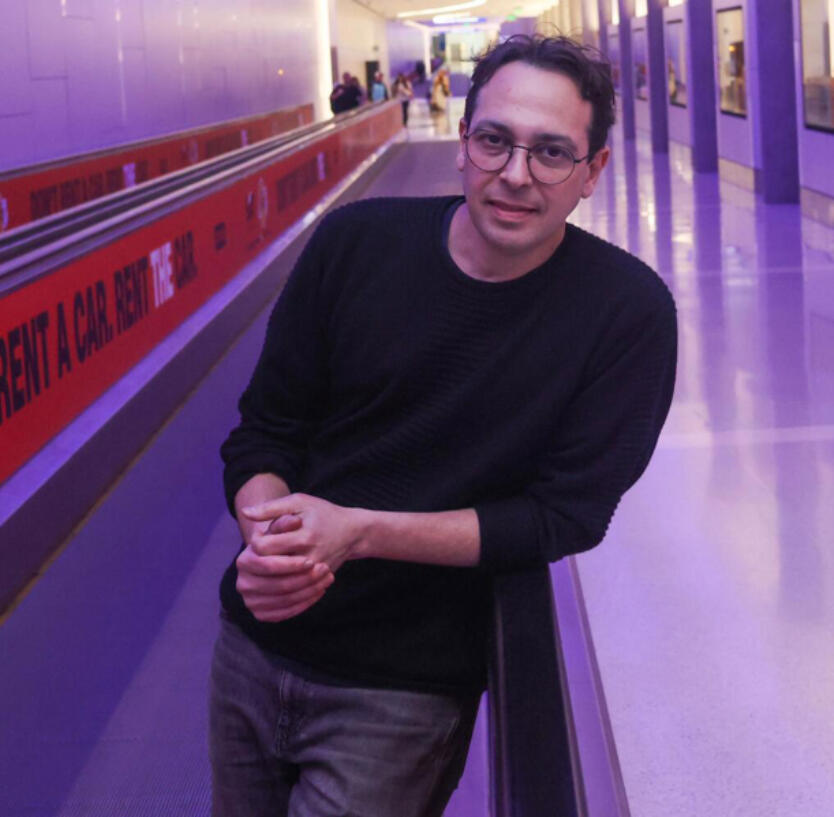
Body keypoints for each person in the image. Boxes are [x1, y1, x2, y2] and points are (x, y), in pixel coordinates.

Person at [209, 34, 677, 817]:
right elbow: (266, 430)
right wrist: (271, 533)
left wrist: (355, 532)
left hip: (404, 690)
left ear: (593, 173)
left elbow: (562, 516)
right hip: (252, 645)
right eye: (495, 140)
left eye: (552, 152)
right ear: (463, 143)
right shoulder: (354, 245)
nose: (515, 174)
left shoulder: (626, 315)